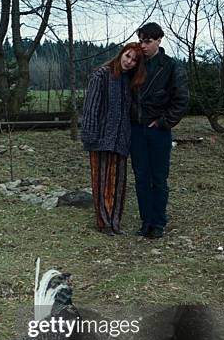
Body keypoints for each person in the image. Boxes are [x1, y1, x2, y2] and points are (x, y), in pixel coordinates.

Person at [130, 22, 189, 239]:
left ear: (158, 40)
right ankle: (146, 221)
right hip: (136, 130)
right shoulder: (136, 64)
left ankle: (159, 223)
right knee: (141, 178)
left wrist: (163, 122)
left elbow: (181, 100)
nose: (143, 45)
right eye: (141, 41)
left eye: (148, 41)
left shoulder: (171, 66)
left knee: (159, 178)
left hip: (158, 131)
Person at [81, 43, 146, 235]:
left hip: (121, 138)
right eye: (128, 56)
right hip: (100, 137)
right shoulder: (101, 75)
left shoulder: (130, 81)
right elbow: (91, 107)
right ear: (121, 54)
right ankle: (104, 223)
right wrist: (90, 135)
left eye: (134, 60)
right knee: (101, 181)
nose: (129, 62)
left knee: (118, 182)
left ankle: (115, 222)